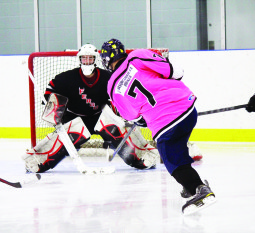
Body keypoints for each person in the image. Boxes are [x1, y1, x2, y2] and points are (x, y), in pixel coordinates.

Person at [100, 38, 216, 215]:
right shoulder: (137, 56)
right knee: (179, 146)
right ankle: (189, 184)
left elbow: (130, 116)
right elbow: (173, 71)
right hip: (187, 108)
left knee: (172, 161)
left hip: (165, 122)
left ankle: (199, 189)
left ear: (106, 60)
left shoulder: (112, 86)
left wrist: (142, 119)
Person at [22, 43, 159, 173]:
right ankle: (37, 161)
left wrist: (120, 112)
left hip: (100, 116)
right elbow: (51, 88)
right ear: (79, 59)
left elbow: (119, 95)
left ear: (95, 60)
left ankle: (143, 158)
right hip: (76, 118)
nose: (87, 61)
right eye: (84, 58)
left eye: (90, 58)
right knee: (66, 138)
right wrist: (53, 105)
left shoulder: (107, 77)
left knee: (117, 129)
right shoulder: (68, 77)